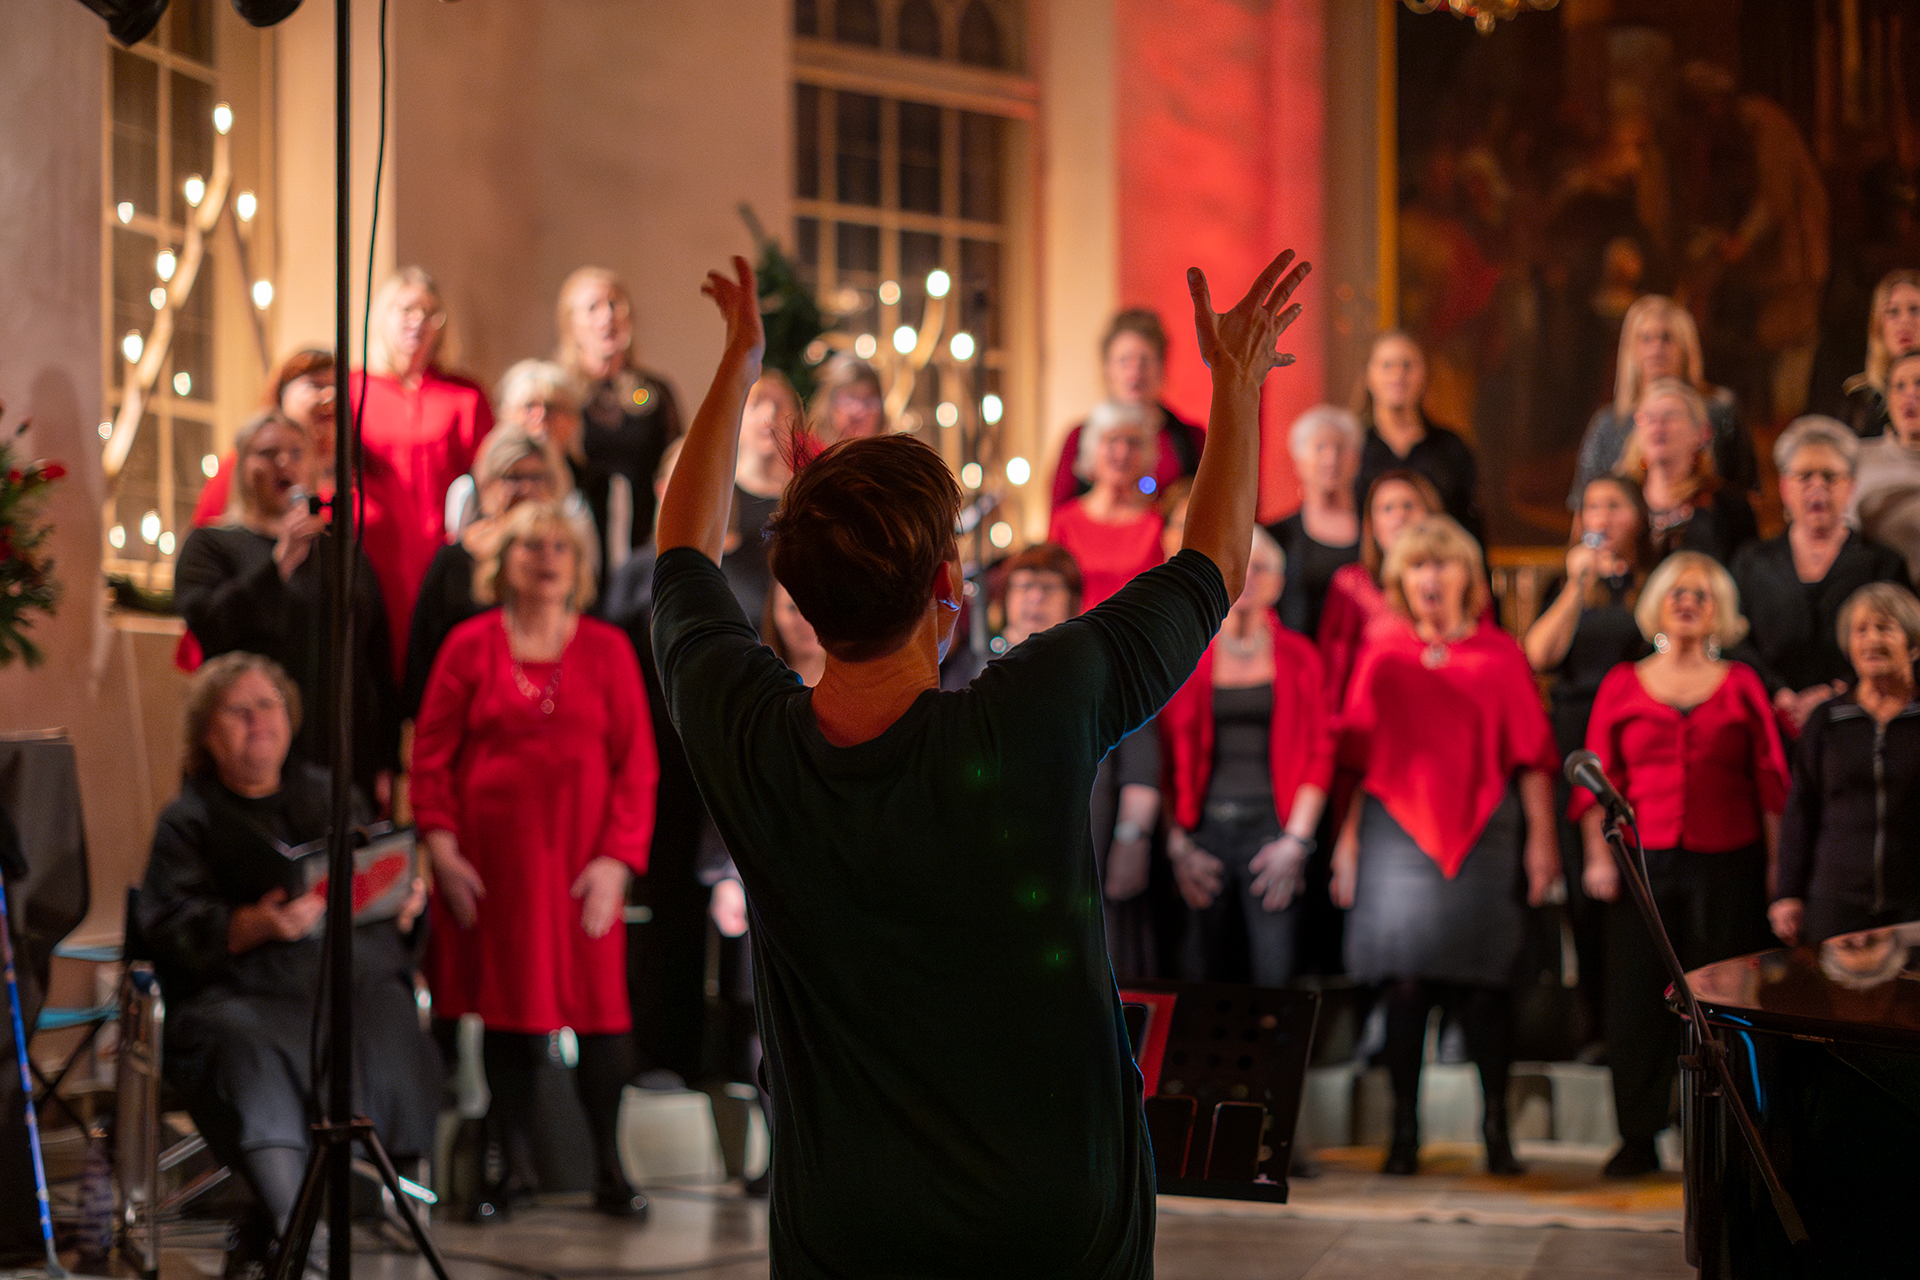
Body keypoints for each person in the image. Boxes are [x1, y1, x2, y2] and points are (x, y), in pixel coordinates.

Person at [651, 249, 1307, 1273]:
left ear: (798, 597)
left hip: (848, 1224)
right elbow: (1214, 565)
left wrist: (738, 363)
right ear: (949, 589)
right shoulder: (1036, 710)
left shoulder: (748, 739)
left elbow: (680, 557)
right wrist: (1234, 384)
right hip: (1054, 1216)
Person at [136, 653, 439, 1270]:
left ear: (290, 717)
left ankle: (373, 1194)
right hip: (238, 990)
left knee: (385, 1015)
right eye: (238, 711)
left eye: (268, 706)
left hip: (342, 979)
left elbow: (372, 880)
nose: (258, 722)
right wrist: (249, 924)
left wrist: (402, 901)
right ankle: (295, 1228)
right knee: (251, 1046)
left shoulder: (331, 795)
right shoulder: (188, 819)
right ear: (206, 733)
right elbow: (165, 926)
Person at [411, 500, 658, 1219]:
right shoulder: (468, 645)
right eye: (530, 546)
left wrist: (616, 863)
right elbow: (430, 758)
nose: (547, 558)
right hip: (492, 874)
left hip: (583, 871)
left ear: (578, 565)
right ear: (503, 561)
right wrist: (442, 849)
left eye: (560, 547)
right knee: (510, 1017)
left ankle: (610, 1168)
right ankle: (509, 1170)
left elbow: (638, 768)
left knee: (604, 1019)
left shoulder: (609, 649)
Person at [1331, 515, 1559, 1178]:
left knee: (1486, 988)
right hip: (1392, 838)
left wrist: (1543, 841)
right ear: (1401, 578)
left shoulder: (1500, 655)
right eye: (1418, 565)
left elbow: (1534, 759)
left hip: (1488, 833)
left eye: (1443, 564)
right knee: (1404, 987)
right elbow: (1354, 758)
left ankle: (1497, 1132)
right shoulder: (1381, 651)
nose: (1430, 577)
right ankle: (1404, 1132)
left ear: (1470, 577)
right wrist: (1345, 842)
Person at [1575, 551, 1789, 1178]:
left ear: (1719, 609)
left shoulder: (1743, 683)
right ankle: (1638, 1135)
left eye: (1701, 593)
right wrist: (1597, 857)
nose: (1688, 601)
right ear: (1657, 606)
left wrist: (1779, 873)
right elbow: (1594, 782)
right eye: (1676, 592)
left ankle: (1727, 1137)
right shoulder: (1622, 682)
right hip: (1641, 867)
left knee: (1724, 1005)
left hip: (1728, 864)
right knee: (1636, 1002)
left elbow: (1772, 784)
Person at [174, 411, 399, 806]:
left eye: (297, 452)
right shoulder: (211, 545)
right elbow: (210, 625)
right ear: (243, 467)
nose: (284, 463)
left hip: (343, 757)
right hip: (252, 756)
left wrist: (386, 760)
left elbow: (375, 659)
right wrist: (278, 564)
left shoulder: (344, 553)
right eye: (268, 453)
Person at [1160, 528, 1329, 987]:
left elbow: (1320, 751)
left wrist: (1296, 842)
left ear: (1278, 582)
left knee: (1275, 976)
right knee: (1197, 975)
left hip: (1273, 832)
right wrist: (1177, 846)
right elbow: (1166, 756)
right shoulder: (1188, 655)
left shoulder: (1300, 656)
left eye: (1260, 568)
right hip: (1202, 832)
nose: (1248, 577)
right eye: (1239, 565)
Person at [1523, 475, 1657, 1045]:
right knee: (1584, 886)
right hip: (1577, 737)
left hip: (1637, 736)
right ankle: (1596, 1026)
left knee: (1635, 883)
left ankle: (1642, 1023)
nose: (1600, 515)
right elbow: (1538, 654)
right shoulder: (1566, 581)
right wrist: (1579, 585)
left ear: (1639, 519)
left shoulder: (1655, 583)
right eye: (1591, 505)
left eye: (1614, 505)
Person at [1001, 543, 1161, 979]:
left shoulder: (1101, 669)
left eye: (1047, 587)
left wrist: (1132, 838)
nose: (1033, 598)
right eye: (1024, 585)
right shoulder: (977, 670)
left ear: (1073, 600)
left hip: (1091, 848)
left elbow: (1142, 764)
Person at [350, 268, 494, 682]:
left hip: (442, 557)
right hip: (373, 557)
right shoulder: (355, 389)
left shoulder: (464, 396)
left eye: (430, 312)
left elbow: (488, 481)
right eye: (406, 309)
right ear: (383, 318)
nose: (418, 321)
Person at [1731, 417, 1906, 735]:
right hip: (1768, 723)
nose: (1817, 486)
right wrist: (1777, 693)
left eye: (1829, 476)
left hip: (1858, 722)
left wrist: (1837, 692)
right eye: (1804, 476)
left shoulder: (1883, 565)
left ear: (1851, 487)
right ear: (1784, 488)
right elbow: (1735, 637)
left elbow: (1901, 641)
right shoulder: (1752, 561)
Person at [1772, 583, 1920, 947]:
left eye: (1885, 628)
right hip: (1835, 899)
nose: (1871, 639)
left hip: (1914, 900)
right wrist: (1787, 892)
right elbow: (1801, 807)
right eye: (1861, 630)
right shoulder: (1828, 719)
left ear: (1913, 644)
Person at [402, 424, 573, 718]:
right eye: (514, 477)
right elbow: (422, 657)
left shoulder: (565, 557)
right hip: (469, 715)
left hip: (551, 711)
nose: (527, 488)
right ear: (486, 483)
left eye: (538, 477)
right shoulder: (454, 561)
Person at [1567, 295, 1755, 504]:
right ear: (1631, 348)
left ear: (1685, 346)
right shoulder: (1609, 423)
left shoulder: (1719, 411)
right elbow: (1585, 509)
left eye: (1666, 337)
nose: (1656, 348)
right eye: (1645, 338)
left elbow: (1746, 494)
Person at [556, 266, 686, 564]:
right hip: (576, 542)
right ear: (571, 324)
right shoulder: (559, 395)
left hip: (643, 538)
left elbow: (677, 464)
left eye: (615, 304)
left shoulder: (656, 392)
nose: (608, 315)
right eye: (593, 307)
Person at [1049, 308, 1207, 509]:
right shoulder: (1078, 439)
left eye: (1144, 361)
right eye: (1124, 361)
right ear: (1107, 369)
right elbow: (1058, 520)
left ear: (1161, 366)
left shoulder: (1190, 439)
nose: (1135, 373)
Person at [1316, 470, 1444, 712]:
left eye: (1409, 506)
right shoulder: (1350, 585)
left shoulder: (1454, 580)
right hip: (1374, 717)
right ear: (1371, 525)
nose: (1399, 516)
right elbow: (1334, 672)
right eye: (1386, 509)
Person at [1350, 331, 1483, 542]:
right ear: (1368, 375)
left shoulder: (1451, 447)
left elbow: (1470, 526)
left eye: (1407, 365)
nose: (1398, 375)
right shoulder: (1352, 446)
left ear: (1425, 374)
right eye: (1387, 365)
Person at [1618, 377, 1757, 564]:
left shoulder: (1729, 507)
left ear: (1702, 433)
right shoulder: (1619, 497)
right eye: (1648, 418)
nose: (1658, 426)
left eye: (1670, 416)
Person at [192, 349, 338, 527]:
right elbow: (206, 527)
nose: (329, 398)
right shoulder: (243, 463)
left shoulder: (351, 470)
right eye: (316, 386)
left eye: (336, 388)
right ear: (282, 395)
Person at [442, 360, 585, 541]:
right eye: (529, 407)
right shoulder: (471, 490)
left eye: (551, 408)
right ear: (506, 415)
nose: (540, 417)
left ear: (573, 419)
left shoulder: (590, 486)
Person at [1046, 401, 1167, 608]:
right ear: (1092, 449)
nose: (1122, 452)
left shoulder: (1159, 522)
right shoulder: (1064, 521)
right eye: (1112, 440)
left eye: (1133, 442)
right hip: (1079, 636)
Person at [1266, 404, 1361, 638]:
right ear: (1299, 460)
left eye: (1340, 447)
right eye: (1320, 447)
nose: (1331, 458)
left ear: (1356, 459)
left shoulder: (1377, 529)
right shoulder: (1277, 535)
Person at [725, 371, 801, 626]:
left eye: (779, 406)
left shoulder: (802, 494)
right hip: (741, 627)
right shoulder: (724, 495)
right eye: (757, 404)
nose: (770, 417)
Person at [1850, 350, 1920, 582]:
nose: (1910, 394)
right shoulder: (1856, 458)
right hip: (1877, 595)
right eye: (1899, 386)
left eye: (1919, 383)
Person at [1836, 269, 1920, 438]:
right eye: (1893, 312)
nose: (1904, 321)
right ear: (1879, 325)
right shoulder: (1859, 397)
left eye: (1914, 310)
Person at [809, 354, 888, 442]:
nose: (859, 408)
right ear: (829, 402)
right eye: (850, 398)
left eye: (869, 400)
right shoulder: (807, 451)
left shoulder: (892, 453)